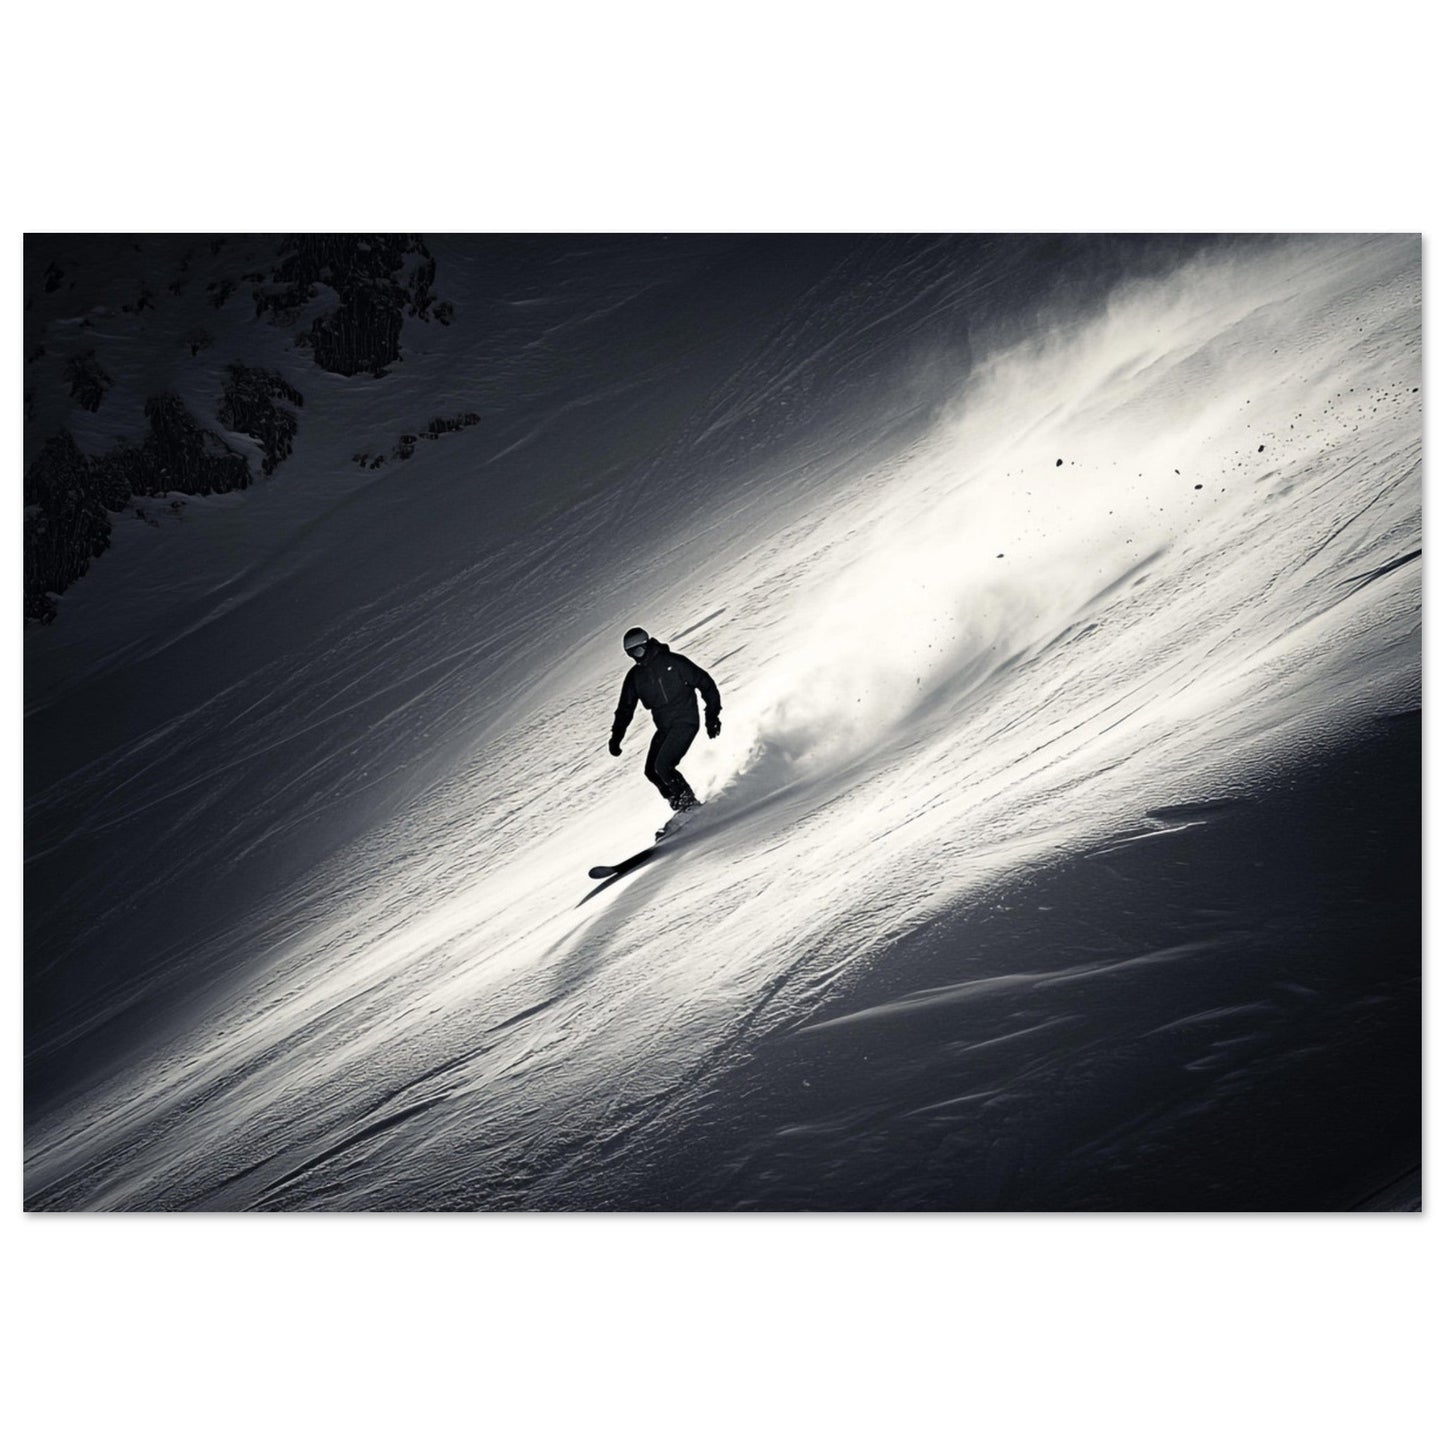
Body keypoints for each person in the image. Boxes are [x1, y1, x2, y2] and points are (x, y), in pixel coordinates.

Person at [608, 626, 722, 815]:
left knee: (663, 766)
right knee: (651, 771)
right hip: (665, 728)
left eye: (637, 651)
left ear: (646, 644)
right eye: (631, 654)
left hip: (686, 721)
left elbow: (705, 683)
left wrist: (712, 715)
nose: (636, 657)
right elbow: (624, 709)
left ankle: (689, 804)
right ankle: (678, 802)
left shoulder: (673, 662)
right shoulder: (635, 677)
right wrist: (616, 737)